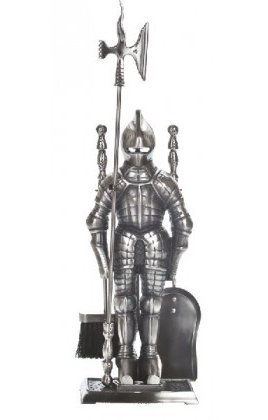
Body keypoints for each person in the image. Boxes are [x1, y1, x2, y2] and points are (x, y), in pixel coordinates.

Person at [87, 110, 193, 384]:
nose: (136, 154)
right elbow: (96, 222)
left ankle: (150, 360)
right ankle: (125, 361)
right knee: (123, 302)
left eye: (140, 149)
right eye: (132, 150)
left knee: (152, 304)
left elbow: (183, 224)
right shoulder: (115, 182)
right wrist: (103, 263)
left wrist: (174, 263)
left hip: (155, 244)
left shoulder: (162, 181)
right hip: (123, 242)